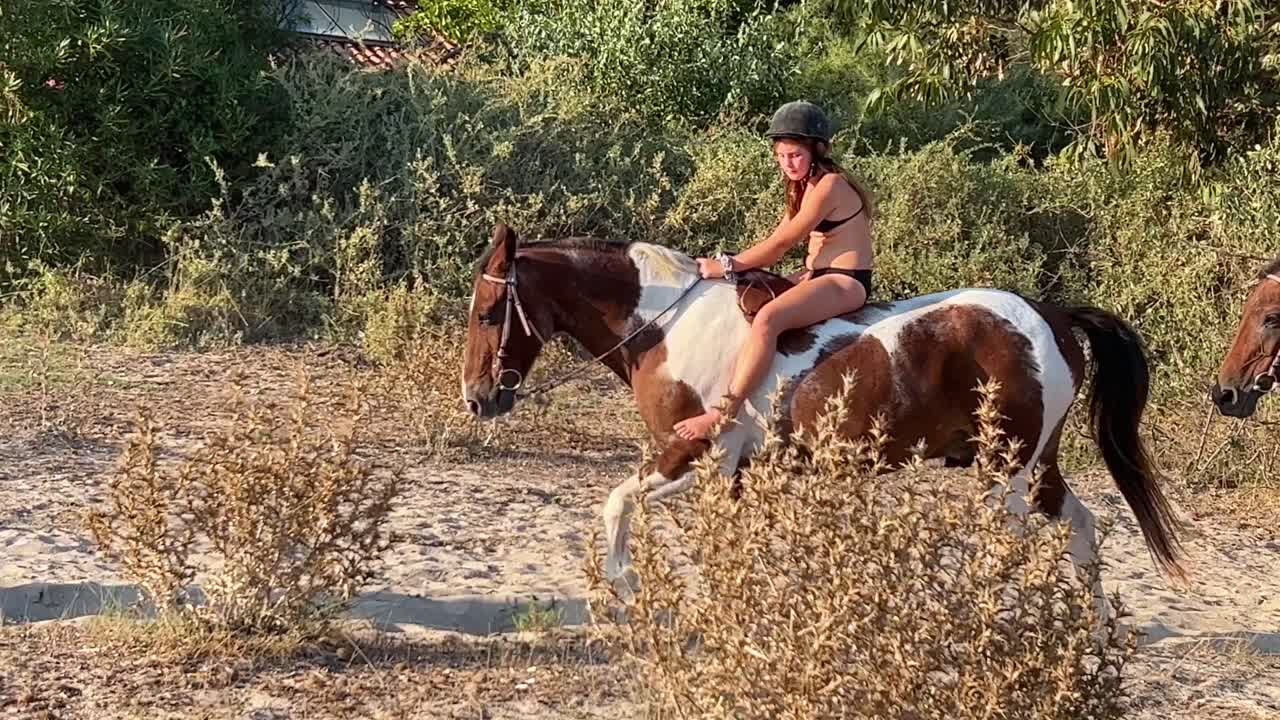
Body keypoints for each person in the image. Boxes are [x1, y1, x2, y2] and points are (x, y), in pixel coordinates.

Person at [673, 100, 876, 441]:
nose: (788, 163)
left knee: (768, 318)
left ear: (817, 150)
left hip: (844, 281)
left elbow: (784, 242)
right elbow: (776, 237)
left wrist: (726, 265)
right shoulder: (802, 187)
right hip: (815, 275)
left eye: (795, 154)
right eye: (781, 156)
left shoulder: (830, 185)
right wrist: (736, 268)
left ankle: (725, 411)